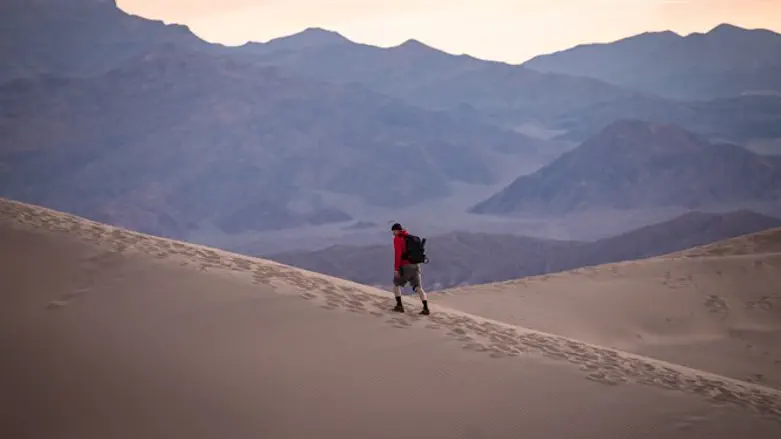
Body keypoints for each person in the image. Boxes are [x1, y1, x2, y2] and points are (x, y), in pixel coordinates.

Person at [391, 223, 430, 315]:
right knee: (419, 287)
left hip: (405, 266)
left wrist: (396, 269)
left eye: (393, 231)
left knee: (396, 285)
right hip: (416, 265)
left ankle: (399, 306)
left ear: (397, 230)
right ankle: (425, 308)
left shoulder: (398, 239)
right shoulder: (410, 237)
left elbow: (398, 255)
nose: (393, 233)